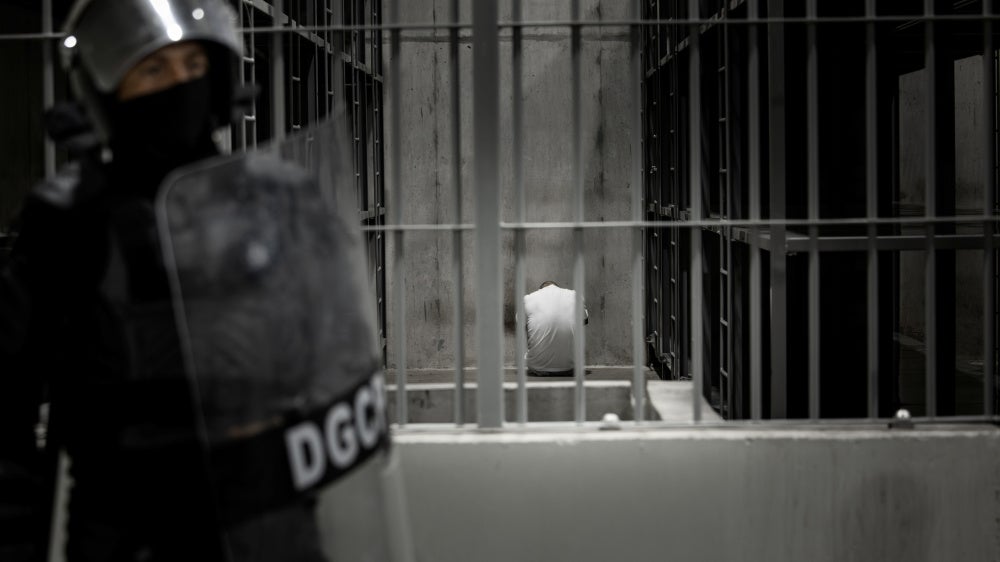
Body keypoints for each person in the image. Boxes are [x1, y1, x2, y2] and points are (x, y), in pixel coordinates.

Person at [0, 1, 370, 560]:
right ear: (107, 92)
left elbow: (338, 357)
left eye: (194, 65)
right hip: (130, 532)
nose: (180, 84)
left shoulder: (275, 199)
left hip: (267, 524)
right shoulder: (70, 219)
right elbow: (7, 399)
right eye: (153, 69)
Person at [523, 281, 589, 376]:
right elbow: (585, 321)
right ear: (557, 287)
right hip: (571, 367)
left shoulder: (529, 298)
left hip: (537, 366)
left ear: (541, 289)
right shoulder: (575, 296)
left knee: (526, 323)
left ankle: (536, 355)